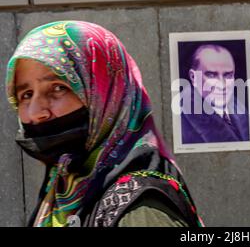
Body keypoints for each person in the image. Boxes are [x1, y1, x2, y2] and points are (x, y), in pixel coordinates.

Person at [5, 20, 203, 227]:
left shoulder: (140, 212)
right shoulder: (62, 189)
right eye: (26, 94)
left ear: (108, 94)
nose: (37, 112)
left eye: (58, 88)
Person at [180, 44, 249, 144]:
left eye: (228, 75)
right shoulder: (179, 119)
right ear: (193, 77)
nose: (222, 85)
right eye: (211, 75)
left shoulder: (239, 108)